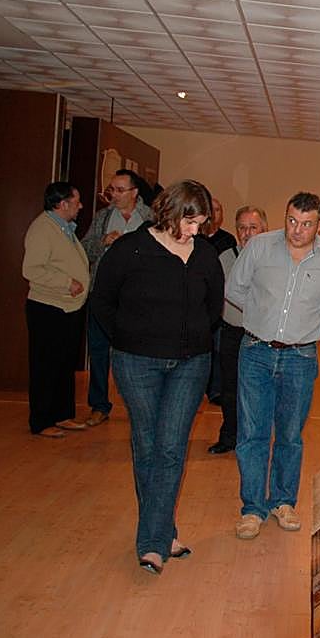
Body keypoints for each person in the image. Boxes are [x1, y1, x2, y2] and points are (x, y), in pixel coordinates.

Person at [91, 180, 225, 575]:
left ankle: (151, 543)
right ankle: (163, 534)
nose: (195, 231)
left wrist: (193, 337)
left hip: (190, 364)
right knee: (148, 446)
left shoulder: (205, 254)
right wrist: (126, 338)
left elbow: (212, 307)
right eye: (190, 222)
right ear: (170, 211)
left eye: (200, 223)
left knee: (171, 448)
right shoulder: (130, 249)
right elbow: (102, 300)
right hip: (137, 364)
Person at [226, 192, 320, 539]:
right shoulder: (259, 247)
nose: (297, 230)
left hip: (300, 357)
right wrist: (261, 313)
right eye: (292, 220)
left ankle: (283, 501)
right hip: (256, 351)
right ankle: (252, 508)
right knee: (252, 433)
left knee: (290, 434)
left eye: (306, 224)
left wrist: (303, 326)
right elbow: (234, 289)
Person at [81, 169, 152, 426]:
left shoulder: (151, 218)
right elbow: (84, 250)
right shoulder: (102, 217)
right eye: (112, 189)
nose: (114, 195)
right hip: (103, 295)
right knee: (99, 351)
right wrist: (103, 241)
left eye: (120, 190)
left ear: (134, 192)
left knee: (139, 353)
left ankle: (142, 406)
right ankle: (99, 405)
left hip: (137, 298)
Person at [21, 182, 89, 438]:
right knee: (45, 365)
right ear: (63, 204)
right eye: (77, 201)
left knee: (64, 364)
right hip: (48, 307)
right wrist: (66, 282)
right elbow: (32, 269)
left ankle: (62, 414)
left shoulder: (64, 228)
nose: (80, 206)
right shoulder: (42, 229)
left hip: (68, 307)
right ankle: (41, 420)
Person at [208, 205, 269, 455]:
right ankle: (229, 435)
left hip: (261, 337)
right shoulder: (225, 258)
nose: (247, 233)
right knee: (230, 388)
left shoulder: (274, 261)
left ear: (264, 230)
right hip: (233, 332)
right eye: (242, 228)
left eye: (253, 227)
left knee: (258, 391)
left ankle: (254, 439)